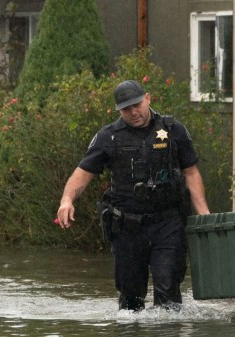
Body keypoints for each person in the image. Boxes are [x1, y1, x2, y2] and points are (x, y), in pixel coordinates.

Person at [56, 79, 210, 312]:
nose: (133, 112)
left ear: (147, 98)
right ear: (119, 110)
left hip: (167, 224)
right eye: (126, 109)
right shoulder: (108, 137)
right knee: (131, 301)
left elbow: (191, 172)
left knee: (168, 293)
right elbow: (83, 173)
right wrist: (67, 200)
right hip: (127, 227)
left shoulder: (173, 130)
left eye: (137, 105)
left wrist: (204, 214)